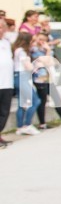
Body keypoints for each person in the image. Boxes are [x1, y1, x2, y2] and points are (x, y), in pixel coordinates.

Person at [31, 32, 61, 128]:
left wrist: (48, 52)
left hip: (49, 77)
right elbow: (46, 61)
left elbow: (51, 62)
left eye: (44, 40)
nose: (41, 42)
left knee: (56, 98)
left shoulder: (45, 50)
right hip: (40, 79)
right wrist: (48, 50)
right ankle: (42, 123)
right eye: (40, 39)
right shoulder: (34, 50)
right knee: (43, 101)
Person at [12, 32, 41, 136]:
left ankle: (20, 127)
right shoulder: (22, 51)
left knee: (22, 104)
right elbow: (28, 67)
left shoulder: (17, 50)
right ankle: (27, 125)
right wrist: (36, 67)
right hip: (22, 77)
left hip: (18, 77)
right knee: (35, 100)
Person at [0, 16, 14, 147]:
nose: (1, 29)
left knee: (4, 112)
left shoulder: (6, 42)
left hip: (7, 83)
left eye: (2, 27)